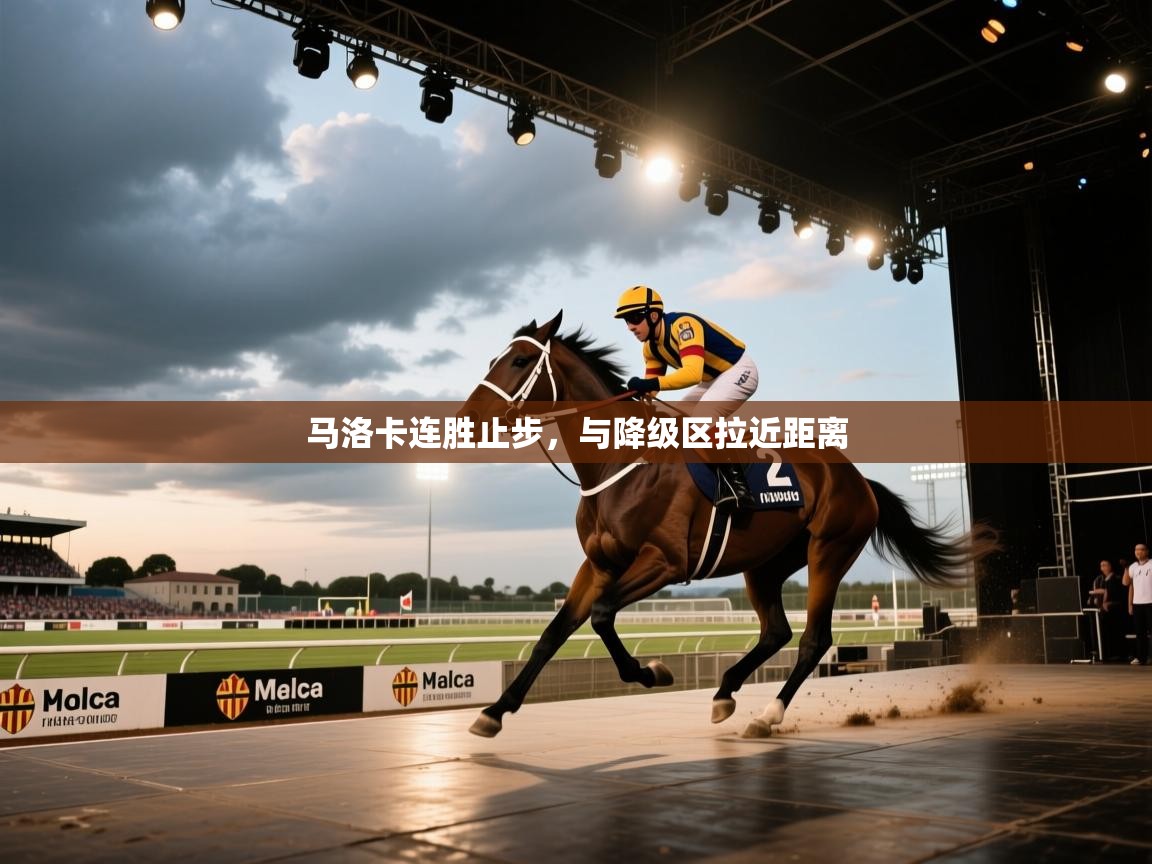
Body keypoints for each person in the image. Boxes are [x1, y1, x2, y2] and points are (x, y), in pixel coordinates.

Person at [614, 285, 759, 511]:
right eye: (626, 320)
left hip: (738, 370)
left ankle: (738, 487)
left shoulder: (683, 326)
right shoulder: (650, 348)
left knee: (703, 418)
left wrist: (648, 385)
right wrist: (631, 397)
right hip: (712, 379)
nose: (630, 326)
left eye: (635, 318)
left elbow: (691, 374)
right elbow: (651, 389)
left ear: (654, 316)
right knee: (673, 418)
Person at [1123, 543, 1151, 665]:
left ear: (1147, 551)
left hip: (1150, 602)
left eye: (1141, 549)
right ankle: (1141, 657)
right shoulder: (1133, 566)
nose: (1138, 552)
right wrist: (1130, 604)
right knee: (1140, 632)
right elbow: (1126, 583)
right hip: (1137, 603)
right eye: (1136, 550)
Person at [1098, 558, 1129, 662]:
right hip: (1107, 609)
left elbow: (1119, 595)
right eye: (1101, 566)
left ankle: (1120, 654)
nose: (1102, 568)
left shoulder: (1116, 578)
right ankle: (1109, 653)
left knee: (1117, 631)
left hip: (1116, 609)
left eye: (1105, 565)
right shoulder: (1102, 579)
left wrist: (1109, 603)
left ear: (1110, 566)